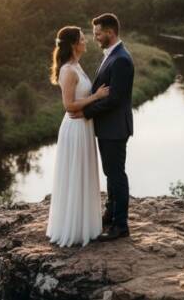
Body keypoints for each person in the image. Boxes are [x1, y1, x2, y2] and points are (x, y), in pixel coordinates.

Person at [70, 13, 134, 241]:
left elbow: (114, 99)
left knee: (116, 174)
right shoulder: (112, 56)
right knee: (110, 172)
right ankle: (110, 211)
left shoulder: (122, 60)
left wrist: (85, 112)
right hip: (108, 126)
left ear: (110, 32)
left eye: (98, 33)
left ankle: (121, 225)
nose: (95, 37)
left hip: (115, 127)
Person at [45, 26, 109, 247]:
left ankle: (85, 223)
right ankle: (72, 228)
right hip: (75, 128)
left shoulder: (76, 66)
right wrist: (97, 96)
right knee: (75, 174)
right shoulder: (68, 71)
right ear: (74, 45)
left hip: (84, 127)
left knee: (83, 172)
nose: (86, 41)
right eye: (83, 39)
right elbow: (69, 106)